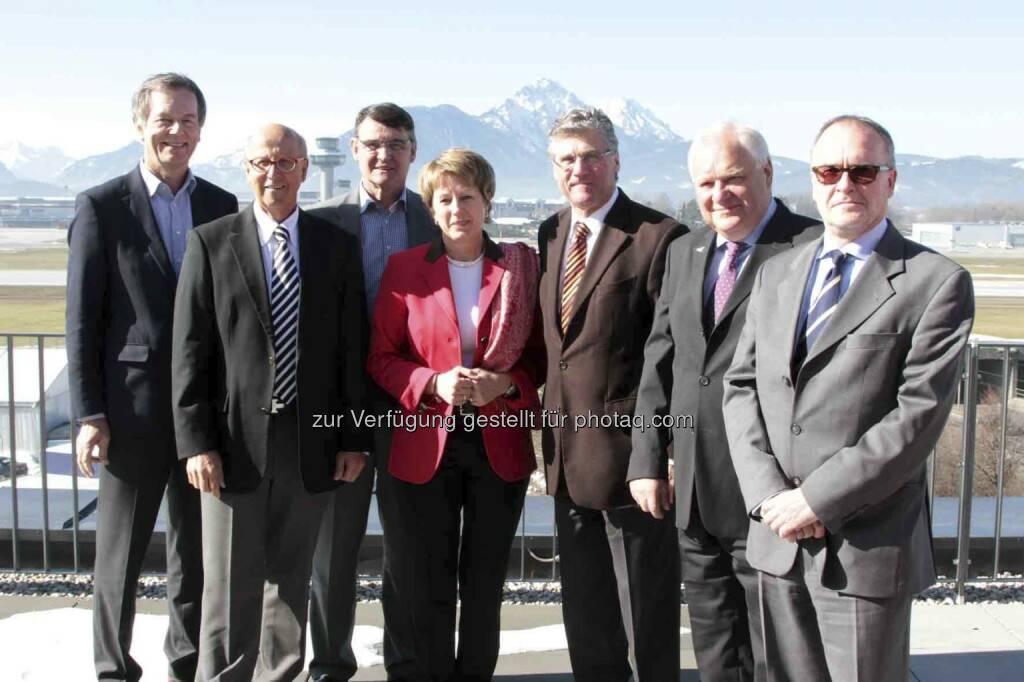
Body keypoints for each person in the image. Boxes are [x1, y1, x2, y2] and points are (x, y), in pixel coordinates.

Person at [724, 115, 975, 680]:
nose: (845, 184)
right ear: (812, 181)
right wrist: (769, 498)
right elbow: (741, 390)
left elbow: (916, 419)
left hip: (865, 552)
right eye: (830, 170)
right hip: (776, 544)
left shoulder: (934, 282)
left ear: (890, 180)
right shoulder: (775, 275)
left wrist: (814, 500)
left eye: (862, 171)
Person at [171, 123, 370, 680]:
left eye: (286, 163)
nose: (274, 174)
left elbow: (350, 351)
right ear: (247, 169)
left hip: (310, 444)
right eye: (263, 162)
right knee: (229, 584)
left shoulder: (335, 247)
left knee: (291, 579)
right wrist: (197, 443)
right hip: (232, 447)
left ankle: (280, 674)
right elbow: (190, 352)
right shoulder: (211, 242)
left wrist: (354, 436)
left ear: (306, 170)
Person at [628, 121, 821, 681]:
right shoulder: (686, 251)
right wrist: (646, 460)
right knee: (716, 651)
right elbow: (661, 361)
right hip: (692, 495)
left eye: (732, 179)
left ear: (766, 173)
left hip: (772, 492)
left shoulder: (809, 247)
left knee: (779, 651)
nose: (719, 195)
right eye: (706, 184)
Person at [65, 72, 237, 682]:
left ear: (201, 130)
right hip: (128, 415)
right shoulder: (101, 206)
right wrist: (89, 415)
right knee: (120, 559)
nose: (177, 132)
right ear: (141, 125)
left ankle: (186, 667)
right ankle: (113, 669)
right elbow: (82, 319)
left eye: (189, 121)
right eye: (165, 119)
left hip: (201, 420)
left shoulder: (220, 206)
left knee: (193, 557)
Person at [368, 148, 542, 681]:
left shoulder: (521, 266)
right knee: (429, 582)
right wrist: (431, 382)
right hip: (425, 439)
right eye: (444, 198)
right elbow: (381, 357)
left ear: (487, 201)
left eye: (467, 196)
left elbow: (542, 360)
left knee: (485, 582)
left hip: (498, 441)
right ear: (431, 207)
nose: (456, 207)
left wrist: (504, 386)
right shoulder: (404, 271)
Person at [537, 107, 686, 681]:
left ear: (616, 161)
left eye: (592, 156)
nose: (580, 168)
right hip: (566, 458)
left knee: (643, 611)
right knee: (587, 611)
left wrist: (657, 455)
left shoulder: (658, 237)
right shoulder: (552, 234)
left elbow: (665, 356)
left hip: (631, 464)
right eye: (567, 159)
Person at [306, 103, 434, 682]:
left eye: (397, 144)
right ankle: (331, 664)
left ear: (413, 152)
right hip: (340, 408)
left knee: (407, 549)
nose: (385, 155)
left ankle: (405, 663)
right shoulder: (321, 224)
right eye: (374, 144)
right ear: (354, 150)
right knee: (334, 552)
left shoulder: (435, 221)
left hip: (415, 406)